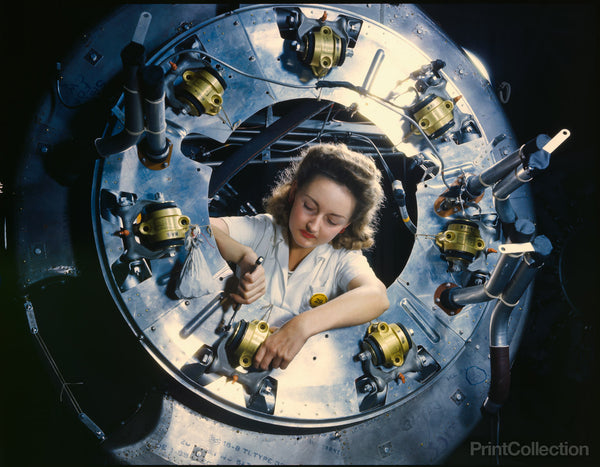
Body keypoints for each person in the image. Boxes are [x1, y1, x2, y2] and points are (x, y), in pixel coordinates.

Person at [210, 142, 389, 371]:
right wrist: (244, 255)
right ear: (294, 193)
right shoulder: (264, 229)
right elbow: (201, 228)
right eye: (309, 206)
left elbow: (377, 296)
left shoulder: (343, 259)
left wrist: (302, 326)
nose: (314, 225)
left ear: (345, 226)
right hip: (223, 357)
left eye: (332, 221)